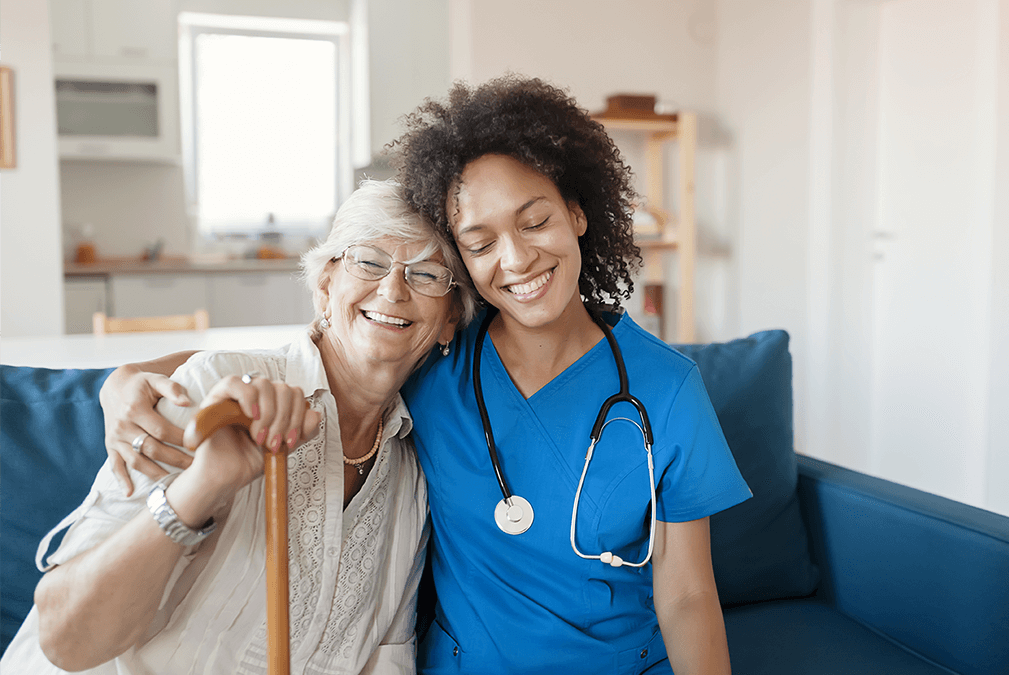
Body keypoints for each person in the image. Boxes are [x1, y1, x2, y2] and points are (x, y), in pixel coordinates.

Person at [93, 75, 752, 675]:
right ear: (462, 259)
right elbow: (312, 353)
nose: (517, 258)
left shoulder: (667, 390)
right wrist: (124, 377)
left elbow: (689, 594)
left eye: (536, 221)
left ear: (577, 213)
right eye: (481, 240)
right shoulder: (436, 358)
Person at [1, 180, 478, 674]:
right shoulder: (212, 387)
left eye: (426, 274)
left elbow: (384, 660)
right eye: (369, 261)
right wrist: (203, 485)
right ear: (324, 287)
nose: (393, 289)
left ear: (448, 320)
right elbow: (63, 640)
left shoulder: (414, 472)